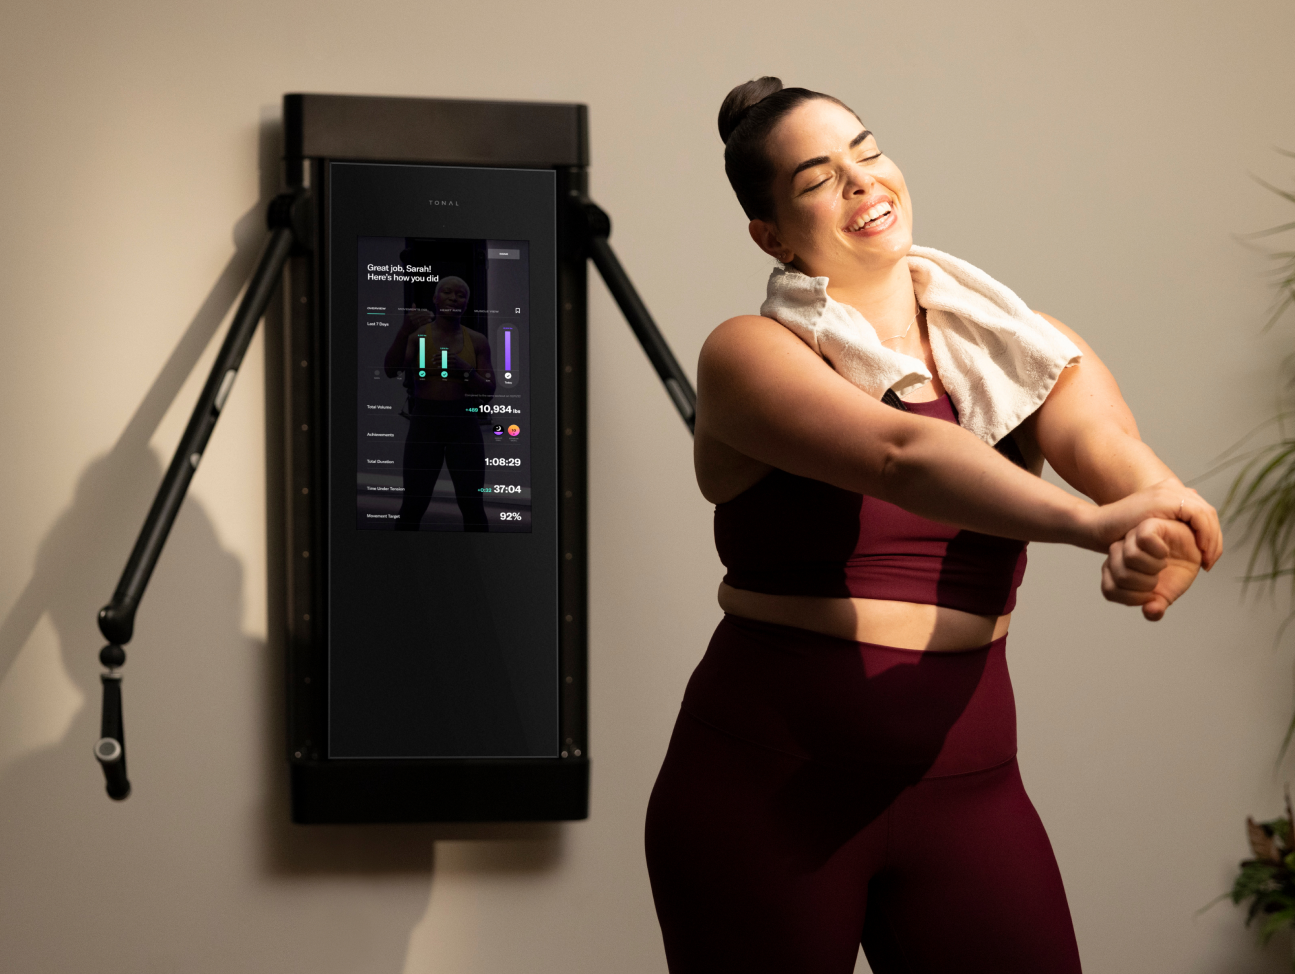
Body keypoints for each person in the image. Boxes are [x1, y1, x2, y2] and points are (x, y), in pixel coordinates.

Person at [643, 77, 1222, 974]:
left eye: (866, 154)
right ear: (771, 236)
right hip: (767, 787)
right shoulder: (749, 352)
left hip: (969, 786)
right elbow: (898, 456)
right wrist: (1090, 523)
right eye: (816, 180)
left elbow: (1110, 448)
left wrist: (1162, 530)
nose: (861, 183)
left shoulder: (1016, 344)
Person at [383, 276, 495, 531]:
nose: (454, 298)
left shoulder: (477, 340)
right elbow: (391, 370)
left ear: (466, 303)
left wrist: (466, 371)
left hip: (463, 423)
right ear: (435, 298)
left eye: (461, 294)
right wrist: (403, 330)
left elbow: (488, 391)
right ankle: (398, 566)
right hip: (426, 422)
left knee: (472, 505)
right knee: (413, 504)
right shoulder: (417, 336)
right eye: (447, 292)